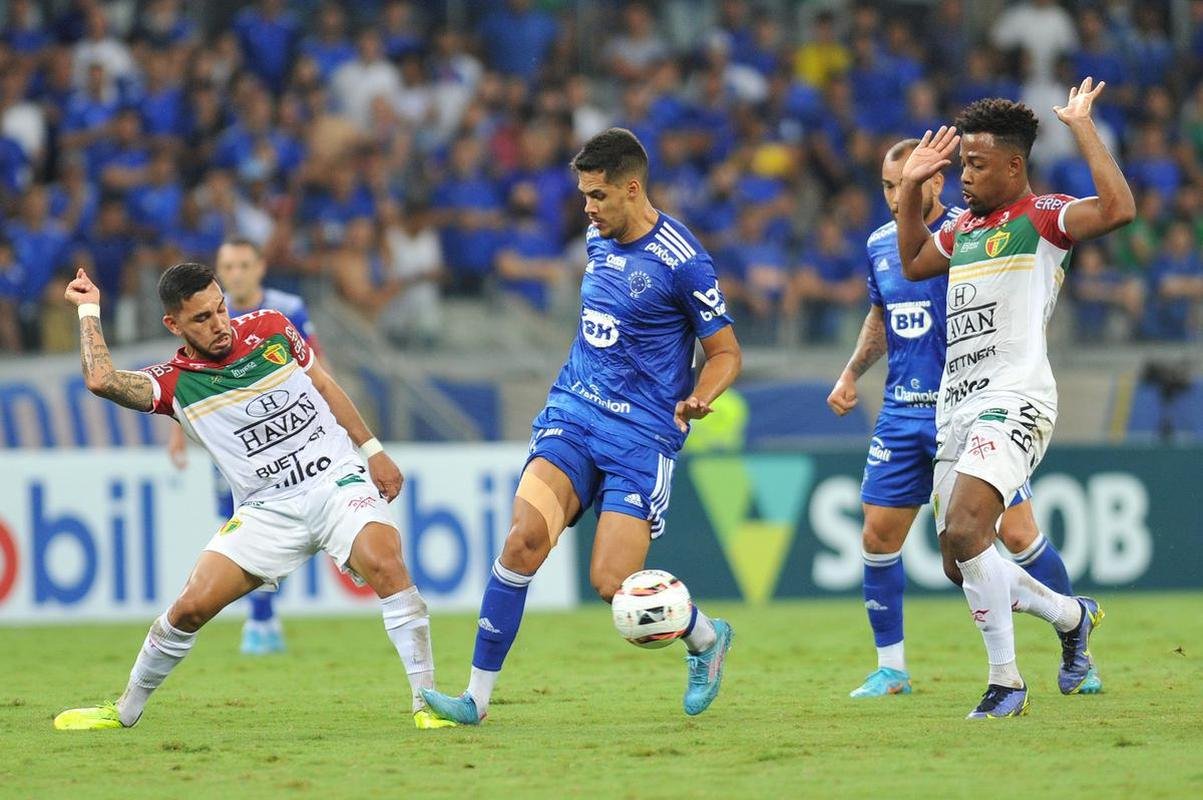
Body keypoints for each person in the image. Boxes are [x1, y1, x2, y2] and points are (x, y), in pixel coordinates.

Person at [420, 128, 742, 725]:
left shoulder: (684, 261)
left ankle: (706, 638)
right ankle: (474, 700)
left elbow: (726, 353)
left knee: (613, 587)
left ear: (632, 188)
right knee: (522, 541)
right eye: (583, 196)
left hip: (642, 437)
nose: (586, 209)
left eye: (596, 195)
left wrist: (699, 397)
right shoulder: (597, 236)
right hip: (574, 411)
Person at [55, 261, 452, 730]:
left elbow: (324, 385)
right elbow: (101, 380)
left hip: (334, 480)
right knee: (190, 606)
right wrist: (89, 311)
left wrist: (372, 450)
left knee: (386, 563)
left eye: (220, 308)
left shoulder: (271, 328)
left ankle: (426, 703)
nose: (219, 324)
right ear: (173, 324)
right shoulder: (176, 382)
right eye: (202, 318)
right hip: (267, 508)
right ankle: (124, 710)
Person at [896, 78, 1134, 717]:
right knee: (958, 558)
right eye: (961, 163)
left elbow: (1117, 210)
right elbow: (915, 261)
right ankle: (1067, 615)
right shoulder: (966, 227)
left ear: (1013, 164)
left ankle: (1006, 683)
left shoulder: (1043, 217)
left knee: (969, 527)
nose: (964, 175)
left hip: (1016, 396)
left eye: (974, 164)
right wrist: (914, 191)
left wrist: (1082, 125)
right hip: (957, 406)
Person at [828, 138, 1098, 699]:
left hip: (978, 408)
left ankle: (1075, 650)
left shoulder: (974, 231)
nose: (893, 194)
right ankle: (891, 667)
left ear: (935, 181)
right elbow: (882, 315)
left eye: (905, 181)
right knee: (880, 536)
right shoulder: (882, 244)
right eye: (885, 184)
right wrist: (852, 371)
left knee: (1019, 534)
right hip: (904, 410)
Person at [166, 238, 320, 655]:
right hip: (232, 437)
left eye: (242, 265)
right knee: (236, 523)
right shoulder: (206, 314)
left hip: (286, 431)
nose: (235, 274)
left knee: (278, 520)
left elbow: (314, 364)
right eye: (227, 266)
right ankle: (263, 616)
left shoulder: (286, 308)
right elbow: (187, 376)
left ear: (260, 267)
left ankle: (262, 617)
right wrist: (178, 432)